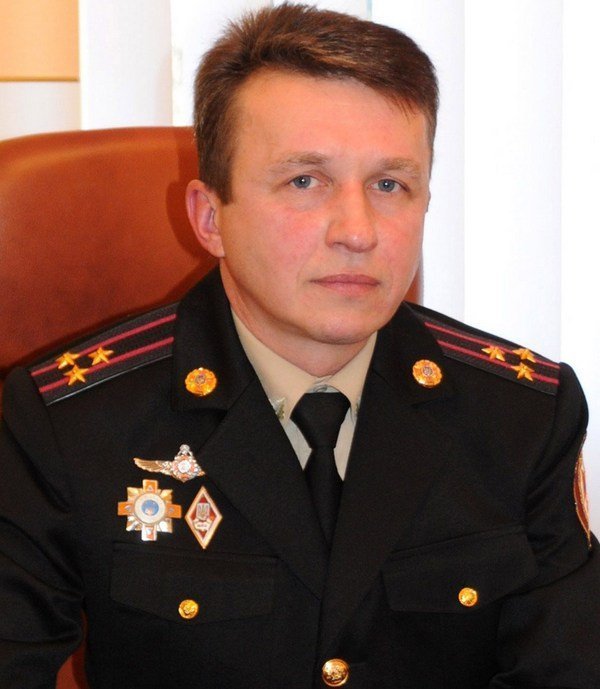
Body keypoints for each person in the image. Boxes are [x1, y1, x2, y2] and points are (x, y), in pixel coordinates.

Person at [0, 3, 598, 688]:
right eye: (305, 181)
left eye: (390, 184)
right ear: (209, 217)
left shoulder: (522, 416)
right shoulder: (71, 424)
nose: (358, 231)